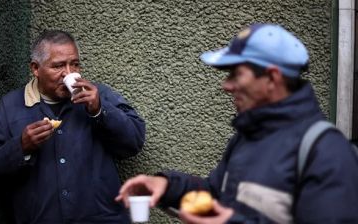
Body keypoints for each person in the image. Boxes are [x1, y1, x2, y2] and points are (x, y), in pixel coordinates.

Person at [116, 23, 358, 223]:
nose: (226, 85)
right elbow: (215, 194)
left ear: (272, 78)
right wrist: (166, 185)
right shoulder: (246, 138)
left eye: (235, 73)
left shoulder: (327, 151)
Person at [0, 30, 146, 223]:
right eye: (58, 66)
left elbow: (134, 142)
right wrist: (21, 146)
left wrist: (100, 110)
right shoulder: (12, 106)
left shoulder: (99, 95)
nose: (69, 73)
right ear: (36, 68)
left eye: (74, 64)